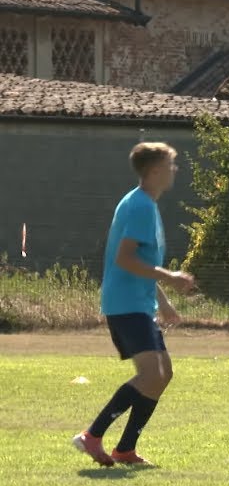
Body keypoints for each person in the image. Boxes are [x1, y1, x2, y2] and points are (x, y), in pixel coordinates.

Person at [71, 143, 196, 467]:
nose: (175, 170)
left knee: (163, 373)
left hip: (138, 304)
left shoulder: (146, 205)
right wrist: (170, 277)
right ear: (155, 170)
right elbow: (124, 259)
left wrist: (164, 302)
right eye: (171, 165)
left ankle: (125, 449)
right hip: (125, 304)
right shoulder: (139, 205)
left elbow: (142, 261)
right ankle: (92, 436)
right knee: (151, 373)